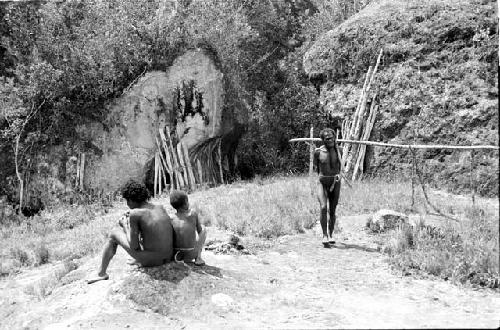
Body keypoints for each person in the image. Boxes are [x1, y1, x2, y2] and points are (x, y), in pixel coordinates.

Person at [87, 180, 174, 284]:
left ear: (131, 200)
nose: (127, 204)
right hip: (169, 257)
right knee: (144, 231)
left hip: (152, 262)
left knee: (114, 233)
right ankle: (139, 258)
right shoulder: (160, 207)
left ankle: (101, 274)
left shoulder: (135, 214)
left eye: (127, 201)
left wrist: (125, 225)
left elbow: (133, 245)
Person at [314, 128, 342, 247]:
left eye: (331, 137)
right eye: (327, 138)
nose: (329, 140)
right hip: (322, 182)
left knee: (332, 210)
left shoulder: (339, 150)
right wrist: (323, 178)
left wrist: (337, 177)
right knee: (323, 207)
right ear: (323, 140)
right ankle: (324, 235)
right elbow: (317, 168)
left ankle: (331, 234)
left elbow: (340, 166)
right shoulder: (318, 152)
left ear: (335, 138)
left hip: (335, 183)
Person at [169, 190, 207, 266]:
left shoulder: (170, 218)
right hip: (190, 255)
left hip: (176, 255)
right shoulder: (192, 214)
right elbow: (200, 231)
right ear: (185, 203)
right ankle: (198, 258)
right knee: (204, 229)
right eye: (188, 201)